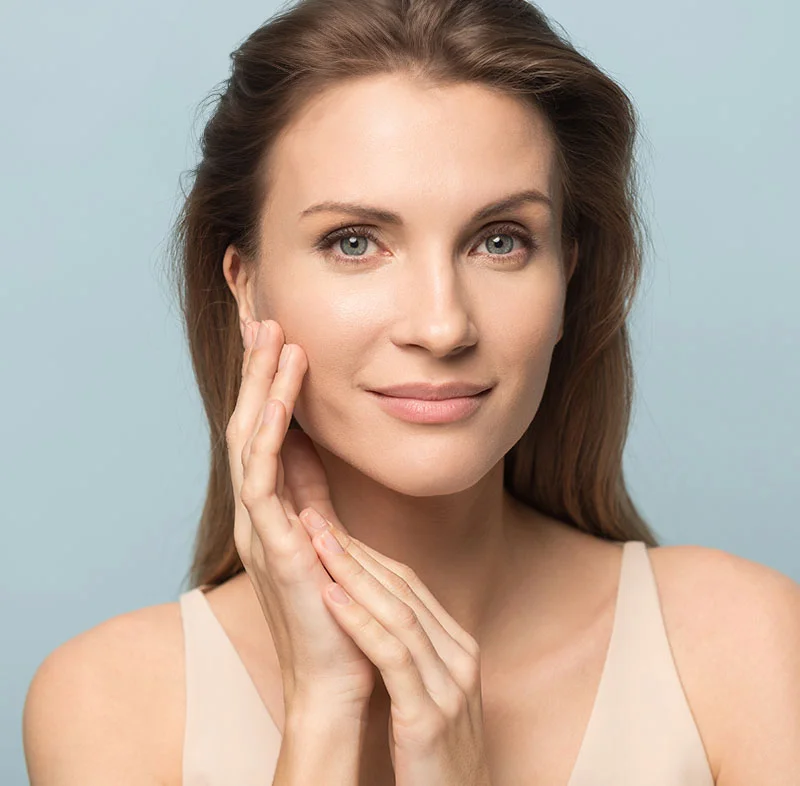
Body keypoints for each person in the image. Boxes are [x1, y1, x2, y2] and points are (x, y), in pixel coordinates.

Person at [22, 0, 800, 784]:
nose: (441, 325)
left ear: (568, 272)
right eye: (354, 242)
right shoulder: (110, 704)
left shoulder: (743, 650)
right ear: (246, 285)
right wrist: (324, 711)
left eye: (501, 241)